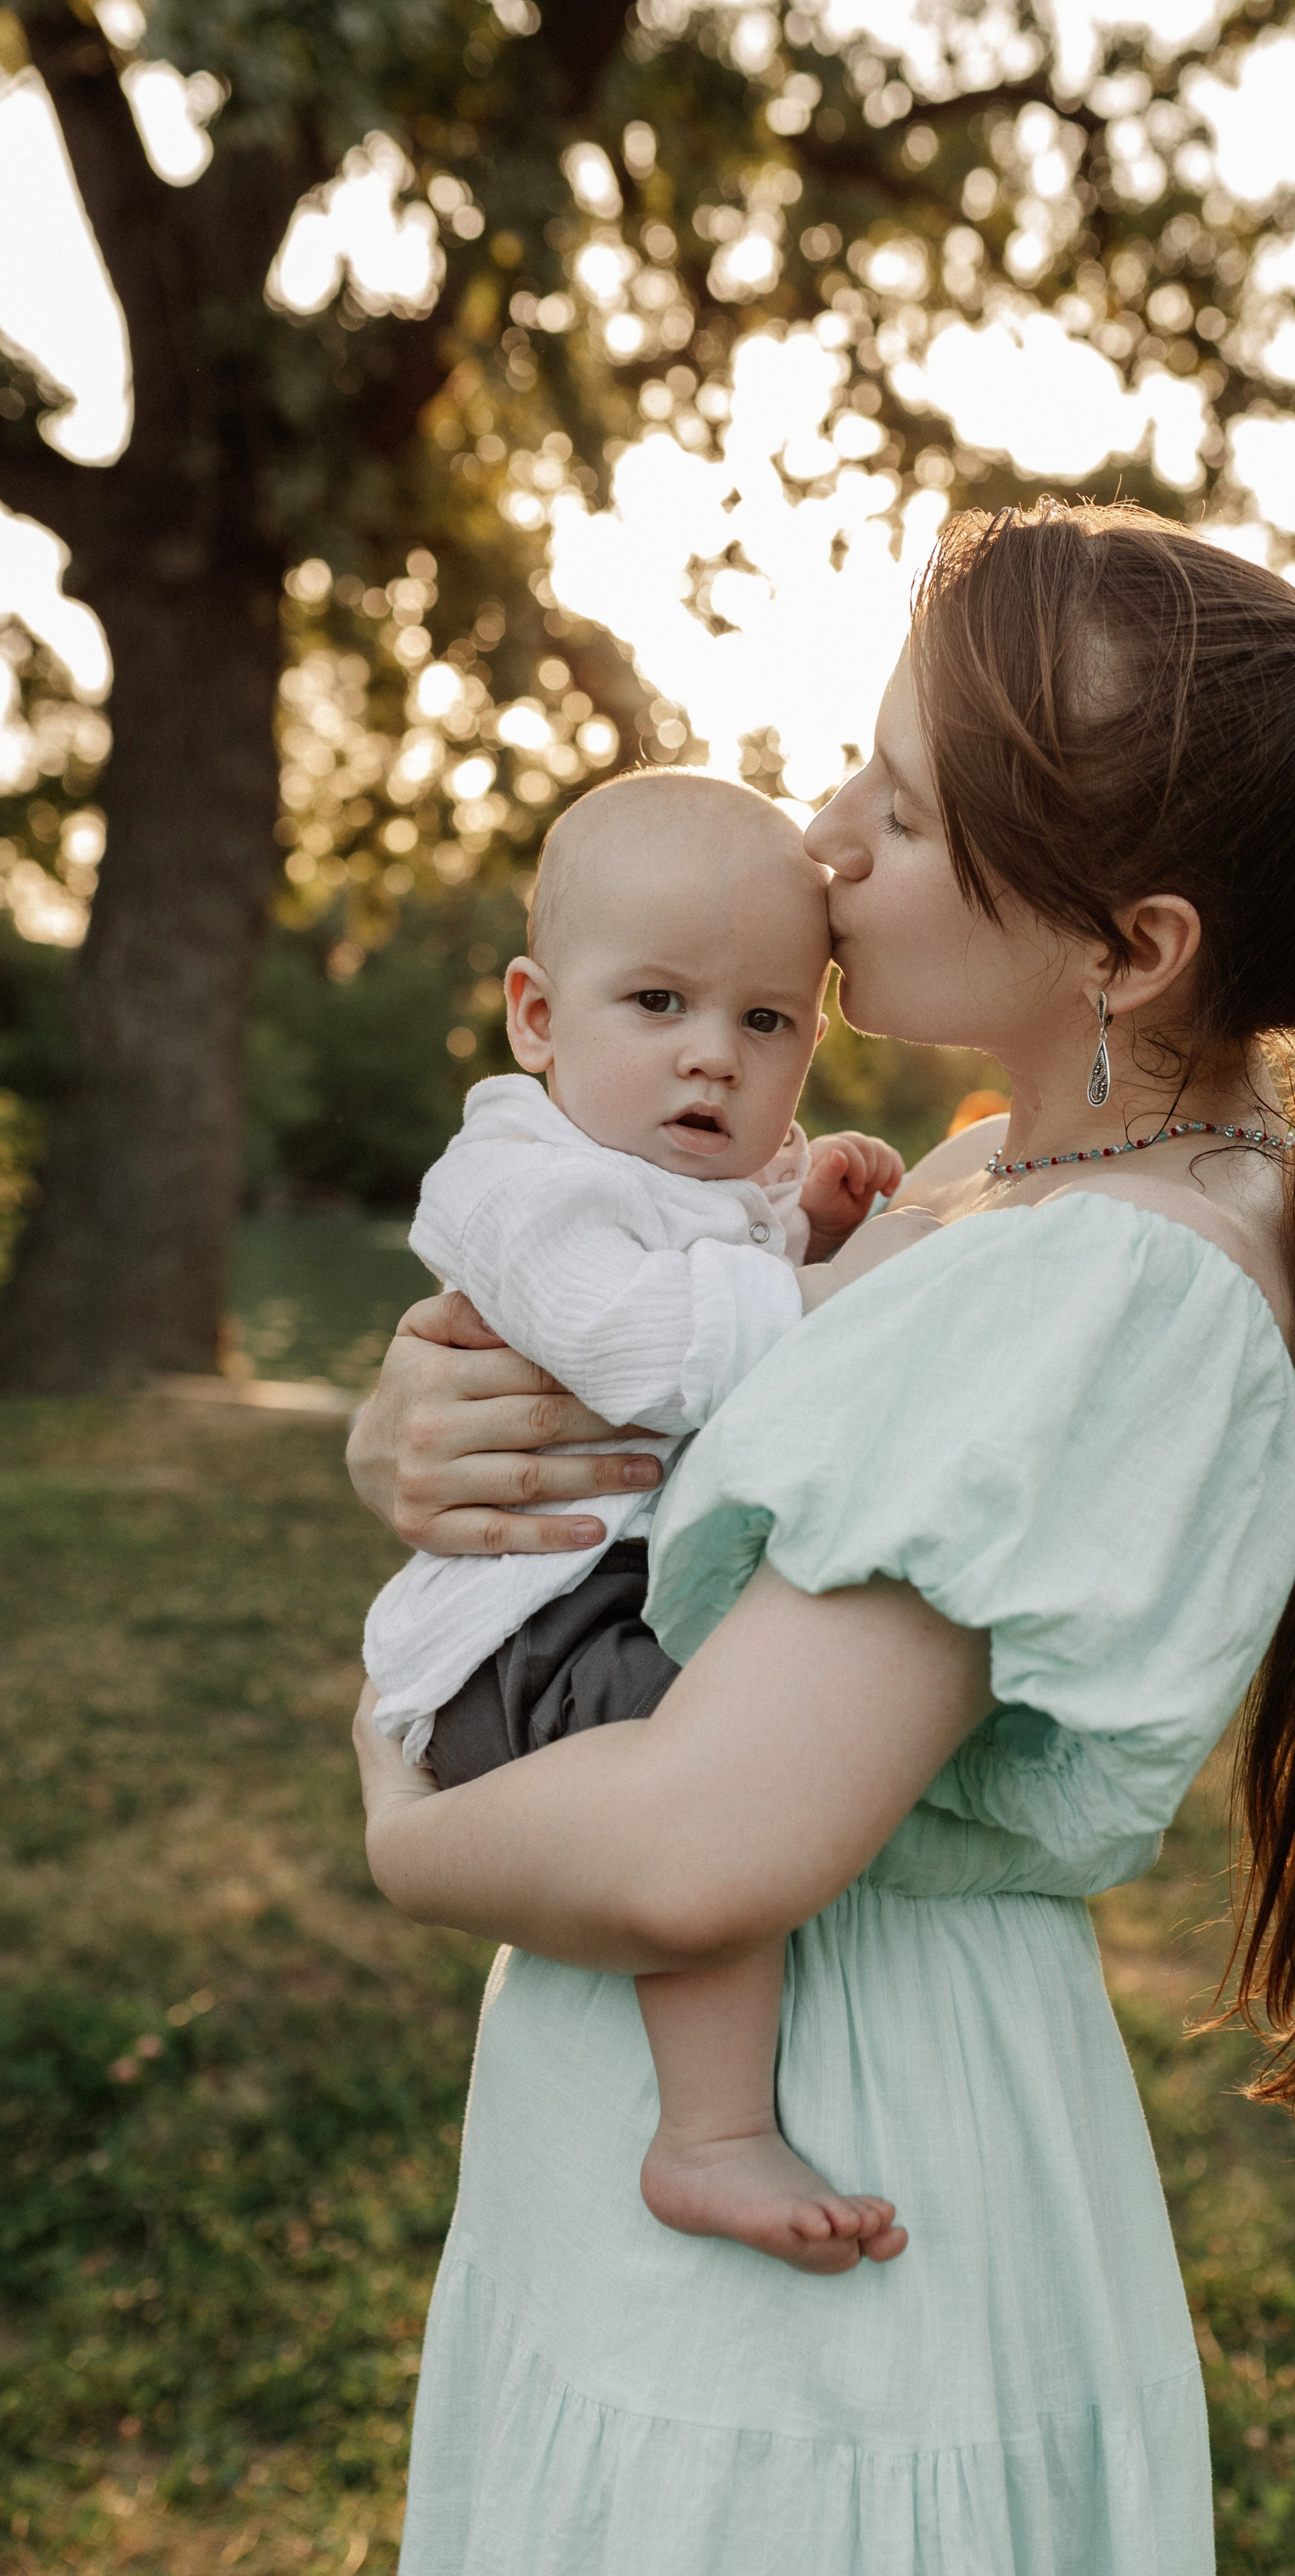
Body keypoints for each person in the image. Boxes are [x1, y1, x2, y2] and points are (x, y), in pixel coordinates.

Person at [349, 499, 1295, 2575]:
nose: (826, 842)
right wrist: (419, 1437)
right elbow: (648, 1391)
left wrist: (396, 1812)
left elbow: (708, 1843)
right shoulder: (1000, 1182)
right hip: (729, 2105)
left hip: (830, 2180)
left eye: (899, 806)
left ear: (1131, 946)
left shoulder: (1098, 1286)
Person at [362, 765, 907, 2273]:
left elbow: (729, 1277)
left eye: (765, 1022)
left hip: (608, 1586)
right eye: (656, 1003)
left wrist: (815, 1220)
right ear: (538, 1018)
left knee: (722, 1724)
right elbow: (645, 1349)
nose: (712, 1063)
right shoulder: (518, 1180)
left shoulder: (710, 1182)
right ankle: (709, 2133)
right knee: (701, 1757)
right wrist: (823, 1289)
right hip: (525, 1628)